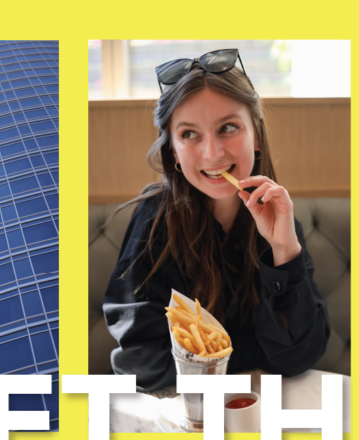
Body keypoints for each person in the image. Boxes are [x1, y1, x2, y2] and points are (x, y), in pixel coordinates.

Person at [103, 49, 330, 392]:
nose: (212, 153)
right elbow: (144, 365)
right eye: (189, 134)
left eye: (228, 127)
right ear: (174, 152)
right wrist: (253, 350)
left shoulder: (279, 220)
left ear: (255, 136)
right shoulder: (154, 221)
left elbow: (299, 356)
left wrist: (285, 250)